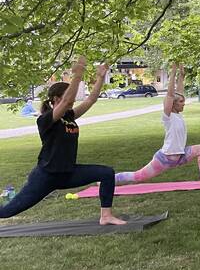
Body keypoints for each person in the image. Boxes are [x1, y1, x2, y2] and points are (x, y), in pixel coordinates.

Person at [0, 57, 126, 225]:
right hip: (46, 176)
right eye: (69, 97)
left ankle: (106, 216)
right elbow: (68, 100)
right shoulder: (45, 120)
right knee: (6, 212)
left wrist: (101, 77)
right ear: (57, 99)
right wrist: (78, 74)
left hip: (68, 173)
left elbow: (91, 99)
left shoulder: (69, 116)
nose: (73, 100)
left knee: (107, 173)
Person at [115, 64, 200, 185]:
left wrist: (181, 76)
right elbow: (171, 95)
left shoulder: (177, 114)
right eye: (181, 102)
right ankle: (109, 180)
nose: (184, 104)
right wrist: (172, 73)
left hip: (180, 157)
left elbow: (179, 93)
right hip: (165, 158)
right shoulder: (168, 116)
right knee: (139, 176)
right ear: (173, 104)